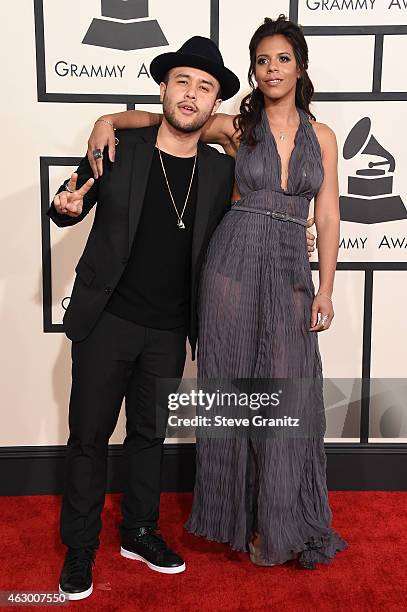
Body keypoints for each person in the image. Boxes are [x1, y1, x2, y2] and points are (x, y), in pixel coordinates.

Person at [87, 16, 339, 571]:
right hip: (230, 265)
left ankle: (281, 519)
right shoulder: (235, 126)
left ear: (300, 67)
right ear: (253, 69)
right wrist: (107, 119)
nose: (272, 69)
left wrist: (325, 288)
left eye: (282, 59)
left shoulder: (323, 137)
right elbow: (168, 121)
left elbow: (327, 214)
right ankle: (240, 521)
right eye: (263, 60)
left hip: (290, 269)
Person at [47, 36, 245, 600]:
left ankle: (138, 531)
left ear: (213, 107)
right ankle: (81, 548)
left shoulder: (217, 172)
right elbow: (72, 198)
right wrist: (64, 206)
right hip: (106, 319)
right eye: (182, 81)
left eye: (205, 88)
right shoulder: (121, 149)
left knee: (149, 438)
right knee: (87, 437)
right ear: (163, 89)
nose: (191, 94)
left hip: (169, 328)